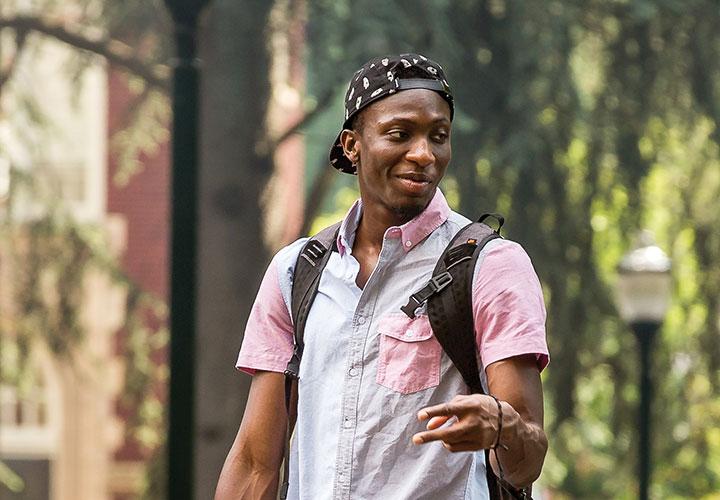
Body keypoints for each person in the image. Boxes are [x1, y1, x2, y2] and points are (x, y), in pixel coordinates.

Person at [215, 53, 549, 500]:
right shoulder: (296, 273)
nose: (423, 154)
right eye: (400, 134)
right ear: (352, 145)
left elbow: (528, 458)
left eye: (439, 136)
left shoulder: (490, 266)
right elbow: (256, 462)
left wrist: (501, 426)